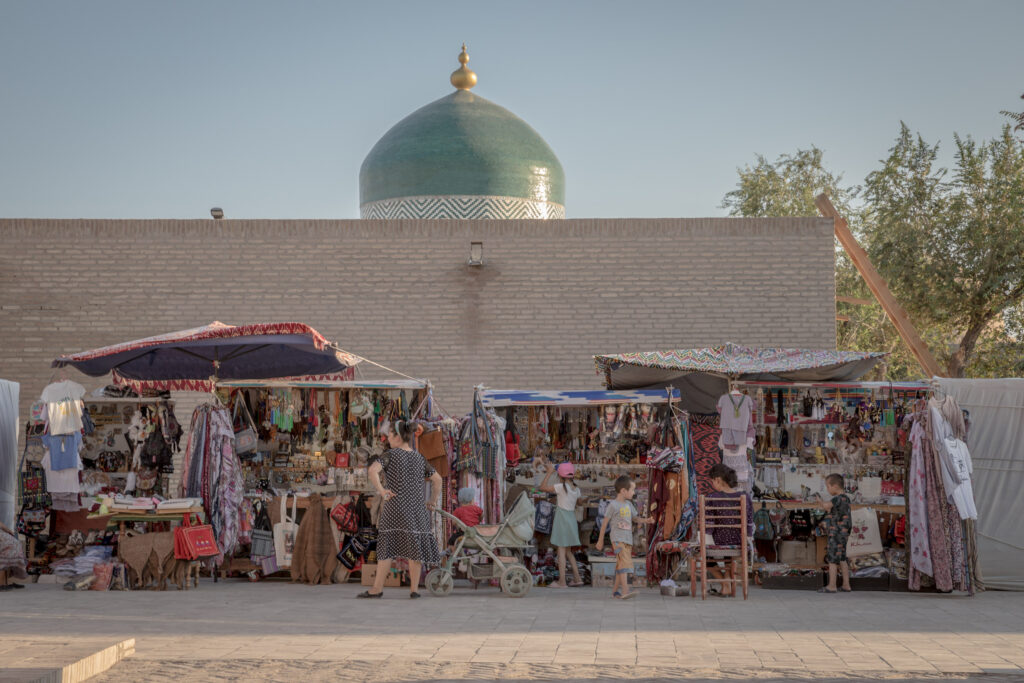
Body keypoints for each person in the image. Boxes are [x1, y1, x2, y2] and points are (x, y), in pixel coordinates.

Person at [359, 419, 442, 599]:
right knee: (415, 548)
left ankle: (377, 589)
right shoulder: (419, 458)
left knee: (386, 548)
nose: (388, 439)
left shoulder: (391, 455)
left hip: (395, 507)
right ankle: (414, 590)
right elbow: (438, 480)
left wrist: (382, 491)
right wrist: (432, 501)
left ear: (397, 437)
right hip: (417, 509)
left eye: (389, 435)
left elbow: (372, 471)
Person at [596, 475, 654, 599]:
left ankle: (615, 591)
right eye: (632, 490)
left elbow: (634, 518)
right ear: (623, 491)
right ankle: (625, 591)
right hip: (617, 539)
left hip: (628, 539)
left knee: (620, 565)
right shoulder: (613, 505)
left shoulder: (629, 504)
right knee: (625, 564)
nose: (634, 492)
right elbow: (604, 523)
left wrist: (646, 521)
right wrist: (600, 540)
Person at [706, 463, 753, 597]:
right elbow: (749, 521)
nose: (713, 484)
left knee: (700, 554)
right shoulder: (744, 496)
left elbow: (709, 526)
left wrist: (706, 535)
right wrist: (748, 537)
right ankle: (727, 584)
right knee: (730, 557)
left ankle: (724, 583)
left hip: (720, 541)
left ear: (718, 480)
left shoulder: (712, 498)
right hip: (739, 541)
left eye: (713, 481)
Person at [539, 461, 585, 588]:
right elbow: (580, 503)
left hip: (562, 519)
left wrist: (549, 473)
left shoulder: (560, 487)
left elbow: (542, 487)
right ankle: (577, 578)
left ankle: (562, 581)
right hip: (571, 519)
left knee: (561, 551)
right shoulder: (577, 489)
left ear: (560, 475)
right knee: (568, 552)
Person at [819, 473, 853, 593]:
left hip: (837, 532)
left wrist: (820, 501)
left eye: (828, 487)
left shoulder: (836, 498)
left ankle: (832, 585)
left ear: (834, 486)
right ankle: (846, 585)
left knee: (832, 559)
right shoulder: (846, 498)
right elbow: (833, 509)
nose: (827, 489)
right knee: (842, 558)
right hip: (844, 533)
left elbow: (826, 506)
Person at [448, 486, 483, 551]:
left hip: (464, 533)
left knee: (452, 540)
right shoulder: (476, 508)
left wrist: (458, 524)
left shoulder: (458, 510)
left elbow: (453, 523)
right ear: (471, 500)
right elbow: (481, 515)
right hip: (476, 532)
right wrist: (479, 520)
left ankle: (452, 553)